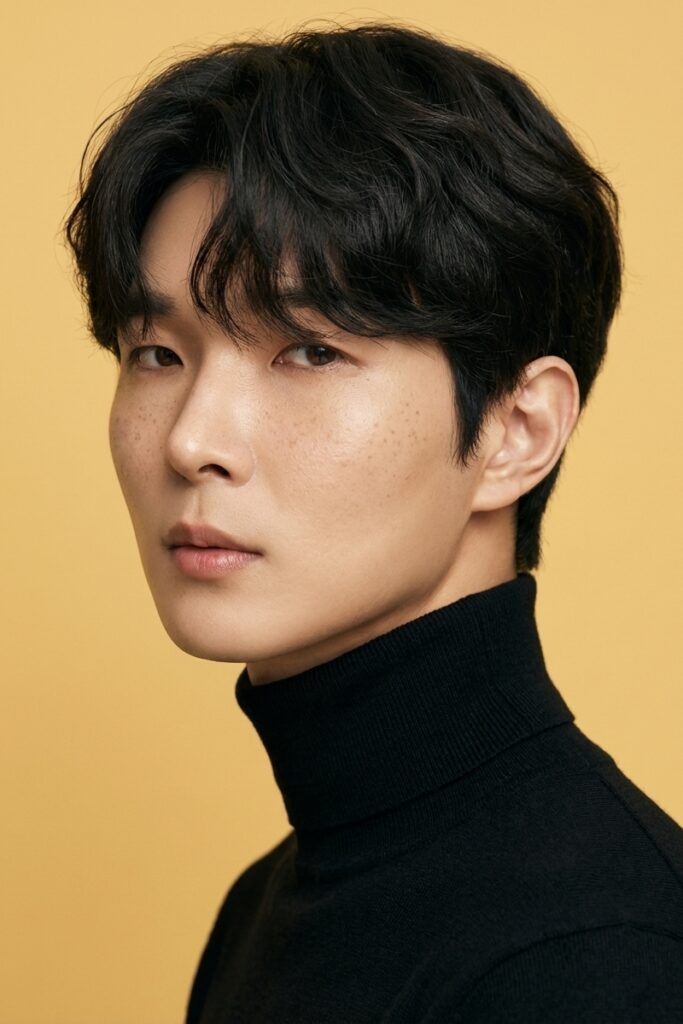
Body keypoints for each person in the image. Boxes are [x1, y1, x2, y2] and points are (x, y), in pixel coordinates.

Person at [64, 20, 683, 1022]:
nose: (192, 440)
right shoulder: (267, 905)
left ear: (516, 430)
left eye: (309, 351)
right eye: (157, 353)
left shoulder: (599, 957)